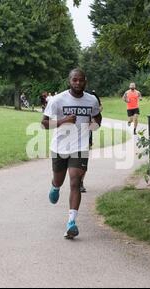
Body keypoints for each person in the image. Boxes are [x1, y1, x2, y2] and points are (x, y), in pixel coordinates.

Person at [41, 69, 102, 239]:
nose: (77, 83)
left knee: (75, 181)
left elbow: (98, 118)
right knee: (59, 180)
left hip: (80, 147)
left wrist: (92, 126)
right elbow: (44, 124)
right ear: (69, 81)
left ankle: (71, 223)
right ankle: (55, 186)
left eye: (81, 80)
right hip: (60, 147)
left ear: (85, 81)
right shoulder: (57, 100)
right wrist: (63, 121)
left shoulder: (91, 100)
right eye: (74, 80)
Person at [80, 90, 103, 193]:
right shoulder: (68, 96)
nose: (78, 83)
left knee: (83, 158)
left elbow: (100, 108)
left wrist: (93, 121)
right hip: (69, 133)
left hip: (86, 132)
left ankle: (80, 182)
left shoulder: (92, 96)